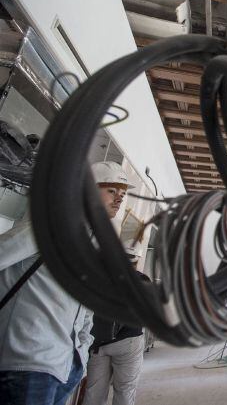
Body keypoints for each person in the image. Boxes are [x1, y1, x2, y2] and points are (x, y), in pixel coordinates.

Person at [0, 161, 133, 405]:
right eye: (112, 191)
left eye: (123, 194)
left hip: (65, 364)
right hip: (28, 360)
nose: (119, 199)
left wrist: (82, 350)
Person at [82, 246, 150, 405]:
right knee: (125, 390)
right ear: (136, 260)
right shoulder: (141, 280)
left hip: (98, 342)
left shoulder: (98, 279)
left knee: (94, 393)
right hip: (129, 342)